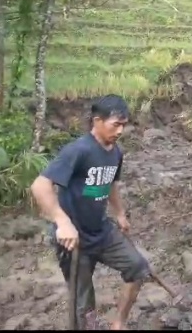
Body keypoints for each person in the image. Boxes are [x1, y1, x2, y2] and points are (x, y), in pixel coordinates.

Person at [30, 94, 149, 330]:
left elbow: (111, 184)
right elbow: (40, 185)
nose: (120, 131)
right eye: (116, 124)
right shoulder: (78, 150)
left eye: (123, 125)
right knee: (83, 305)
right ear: (97, 121)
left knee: (137, 268)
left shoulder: (115, 152)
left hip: (101, 231)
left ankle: (118, 323)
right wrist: (62, 222)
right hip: (73, 240)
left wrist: (120, 213)